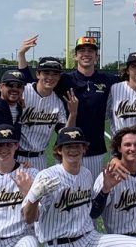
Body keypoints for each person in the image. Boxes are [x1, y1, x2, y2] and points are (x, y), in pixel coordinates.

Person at [20, 35, 118, 181]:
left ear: (96, 56)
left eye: (90, 51)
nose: (86, 54)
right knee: (65, 194)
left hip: (95, 149)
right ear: (75, 56)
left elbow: (135, 79)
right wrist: (21, 55)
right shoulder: (64, 79)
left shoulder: (108, 80)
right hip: (66, 148)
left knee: (91, 194)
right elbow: (34, 84)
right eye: (82, 50)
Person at [14, 54, 78, 170]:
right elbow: (2, 95)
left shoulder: (58, 102)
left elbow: (65, 134)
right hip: (15, 156)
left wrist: (73, 114)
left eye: (55, 74)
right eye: (46, 73)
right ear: (38, 74)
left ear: (59, 77)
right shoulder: (23, 90)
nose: (50, 77)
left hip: (40, 159)